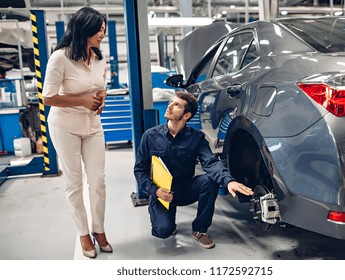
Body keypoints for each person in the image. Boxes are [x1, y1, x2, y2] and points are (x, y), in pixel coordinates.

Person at [134, 91, 254, 249]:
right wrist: (155, 191)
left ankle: (200, 230)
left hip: (185, 189)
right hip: (161, 193)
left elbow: (210, 163)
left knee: (210, 180)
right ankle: (168, 220)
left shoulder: (196, 138)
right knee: (163, 231)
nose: (169, 106)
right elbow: (140, 170)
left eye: (176, 105)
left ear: (186, 115)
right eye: (171, 102)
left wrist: (229, 181)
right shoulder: (150, 136)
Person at [42, 7, 112, 259]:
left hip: (92, 126)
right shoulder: (60, 58)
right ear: (84, 29)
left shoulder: (100, 58)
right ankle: (83, 233)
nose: (103, 35)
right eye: (99, 30)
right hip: (65, 126)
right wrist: (82, 101)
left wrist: (101, 99)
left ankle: (99, 229)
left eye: (104, 30)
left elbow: (101, 87)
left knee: (98, 181)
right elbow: (48, 98)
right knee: (73, 182)